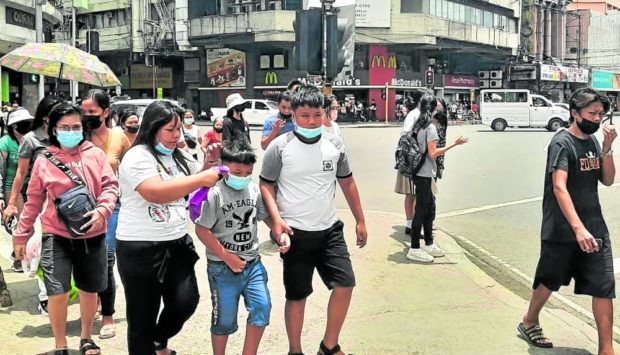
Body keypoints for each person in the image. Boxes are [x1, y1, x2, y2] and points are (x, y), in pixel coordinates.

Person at [260, 85, 367, 355]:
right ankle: (295, 350)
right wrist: (276, 222)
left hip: (329, 229)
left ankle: (329, 346)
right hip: (295, 233)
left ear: (324, 114)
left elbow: (348, 182)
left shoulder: (334, 144)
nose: (311, 121)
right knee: (297, 295)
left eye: (317, 115)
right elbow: (266, 186)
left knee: (345, 284)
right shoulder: (280, 147)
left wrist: (360, 220)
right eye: (305, 115)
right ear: (294, 115)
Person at [115, 100, 222, 355]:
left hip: (176, 241)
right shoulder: (137, 156)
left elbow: (195, 182)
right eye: (170, 130)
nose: (177, 136)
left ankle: (159, 341)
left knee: (185, 301)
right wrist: (201, 176)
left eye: (179, 130)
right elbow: (155, 192)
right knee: (142, 316)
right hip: (139, 246)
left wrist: (208, 162)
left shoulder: (178, 155)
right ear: (153, 129)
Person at [13, 103, 119, 355]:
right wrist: (21, 234)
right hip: (55, 235)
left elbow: (110, 187)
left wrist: (102, 211)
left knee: (89, 287)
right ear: (52, 128)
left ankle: (85, 337)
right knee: (56, 291)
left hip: (92, 233)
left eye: (76, 127)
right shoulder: (44, 159)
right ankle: (60, 344)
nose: (71, 131)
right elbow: (34, 200)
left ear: (83, 128)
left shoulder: (94, 154)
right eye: (64, 127)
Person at [519, 88, 616, 353]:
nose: (597, 119)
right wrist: (577, 228)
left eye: (600, 114)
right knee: (549, 280)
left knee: (604, 285)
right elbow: (559, 187)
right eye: (592, 113)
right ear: (575, 113)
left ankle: (606, 349)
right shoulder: (561, 143)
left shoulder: (592, 141)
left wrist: (607, 149)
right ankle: (529, 320)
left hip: (594, 227)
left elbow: (607, 180)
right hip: (563, 229)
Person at [195, 139, 290, 355]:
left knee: (262, 308)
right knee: (224, 319)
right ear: (224, 167)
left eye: (248, 172)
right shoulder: (214, 193)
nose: (243, 177)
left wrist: (279, 232)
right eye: (237, 172)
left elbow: (263, 216)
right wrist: (227, 257)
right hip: (222, 267)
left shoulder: (253, 190)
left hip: (252, 264)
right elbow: (202, 230)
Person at [81, 89, 132, 340]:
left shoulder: (119, 137)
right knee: (86, 259)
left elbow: (132, 168)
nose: (87, 115)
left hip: (113, 205)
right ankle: (95, 299)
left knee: (107, 256)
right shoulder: (77, 136)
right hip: (80, 207)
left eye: (92, 111)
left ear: (106, 112)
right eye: (84, 111)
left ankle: (108, 315)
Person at [406, 95, 468, 263]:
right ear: (433, 109)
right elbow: (433, 154)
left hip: (421, 173)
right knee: (422, 210)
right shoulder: (430, 128)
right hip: (424, 173)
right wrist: (454, 144)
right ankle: (414, 248)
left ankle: (428, 243)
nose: (440, 110)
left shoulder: (419, 124)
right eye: (438, 108)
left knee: (429, 208)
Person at [0, 108, 33, 272]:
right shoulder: (5, 142)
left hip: (32, 188)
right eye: (22, 124)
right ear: (13, 127)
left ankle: (17, 254)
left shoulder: (33, 139)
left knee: (32, 226)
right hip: (11, 188)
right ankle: (19, 259)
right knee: (21, 224)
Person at [395, 90, 424, 235]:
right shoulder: (416, 115)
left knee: (411, 194)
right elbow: (407, 136)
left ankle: (411, 224)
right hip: (413, 159)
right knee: (416, 194)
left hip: (409, 158)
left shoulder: (414, 114)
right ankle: (414, 225)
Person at [434, 98, 449, 180]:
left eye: (438, 104)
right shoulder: (436, 115)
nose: (436, 105)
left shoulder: (441, 116)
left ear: (443, 106)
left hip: (438, 147)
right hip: (438, 147)